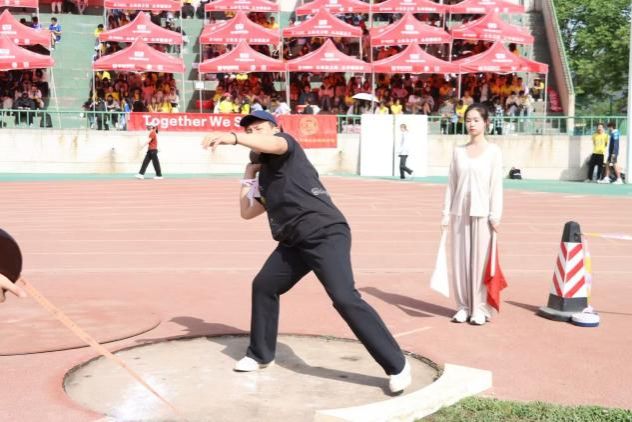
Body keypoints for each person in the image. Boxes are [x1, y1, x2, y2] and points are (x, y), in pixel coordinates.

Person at [201, 110, 411, 394]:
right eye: (249, 131)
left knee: (344, 298)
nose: (253, 134)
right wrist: (249, 174)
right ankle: (260, 354)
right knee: (264, 285)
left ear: (274, 129)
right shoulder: (266, 179)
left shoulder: (287, 145)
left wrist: (233, 138)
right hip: (293, 242)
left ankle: (397, 365)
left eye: (259, 129)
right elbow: (247, 212)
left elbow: (273, 144)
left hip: (325, 233)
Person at [441, 103, 503, 325]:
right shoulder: (458, 152)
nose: (471, 124)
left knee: (480, 262)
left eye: (476, 120)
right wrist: (446, 213)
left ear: (486, 122)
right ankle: (463, 306)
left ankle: (480, 308)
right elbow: (451, 184)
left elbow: (496, 185)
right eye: (468, 120)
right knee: (460, 262)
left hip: (483, 213)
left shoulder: (494, 152)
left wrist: (495, 214)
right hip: (460, 211)